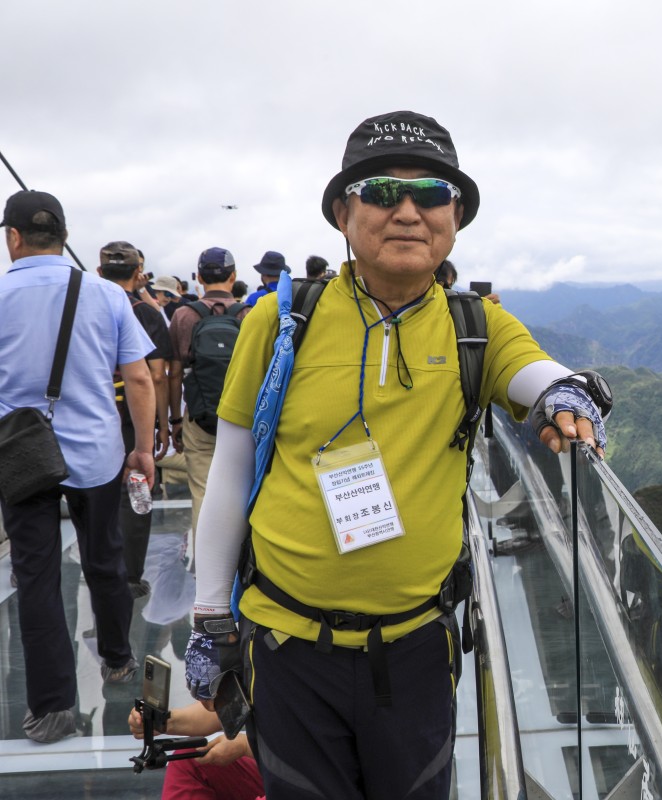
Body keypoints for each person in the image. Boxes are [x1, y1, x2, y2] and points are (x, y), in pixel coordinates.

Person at [184, 110, 612, 799]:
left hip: (417, 648)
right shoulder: (282, 321)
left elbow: (538, 373)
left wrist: (569, 395)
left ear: (456, 216)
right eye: (383, 192)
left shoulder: (477, 327)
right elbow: (231, 470)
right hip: (287, 645)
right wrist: (211, 616)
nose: (408, 211)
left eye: (432, 194)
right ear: (342, 214)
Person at [0, 190, 157, 743]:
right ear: (64, 236)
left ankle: (51, 709)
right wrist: (143, 447)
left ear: (13, 237)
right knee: (105, 558)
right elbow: (138, 377)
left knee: (37, 575)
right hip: (96, 452)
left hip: (22, 455)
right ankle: (117, 658)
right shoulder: (106, 294)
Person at [97, 241, 173, 597]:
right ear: (137, 272)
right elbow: (155, 375)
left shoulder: (85, 307)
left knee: (97, 492)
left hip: (94, 413)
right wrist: (161, 425)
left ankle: (99, 566)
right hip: (132, 416)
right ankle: (130, 575)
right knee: (137, 488)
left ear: (100, 272)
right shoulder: (147, 314)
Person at [167, 248, 248, 541]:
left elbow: (174, 374)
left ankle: (207, 563)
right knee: (244, 490)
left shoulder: (183, 315)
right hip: (243, 417)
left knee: (202, 491)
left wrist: (175, 420)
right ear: (233, 276)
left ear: (199, 278)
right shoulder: (249, 314)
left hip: (199, 416)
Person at [128, 700, 264, 800]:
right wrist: (163, 722)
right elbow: (231, 705)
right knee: (190, 758)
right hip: (266, 763)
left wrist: (245, 746)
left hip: (277, 768)